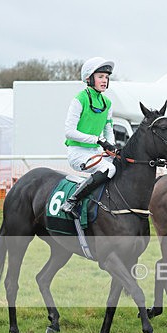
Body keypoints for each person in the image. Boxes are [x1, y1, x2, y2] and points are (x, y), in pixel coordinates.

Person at [60, 56, 118, 214]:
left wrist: (111, 146)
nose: (104, 80)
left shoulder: (107, 103)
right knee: (109, 169)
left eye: (106, 77)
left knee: (120, 164)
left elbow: (108, 129)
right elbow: (69, 132)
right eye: (100, 77)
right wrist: (98, 140)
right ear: (89, 79)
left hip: (96, 152)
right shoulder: (79, 99)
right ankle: (72, 201)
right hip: (78, 153)